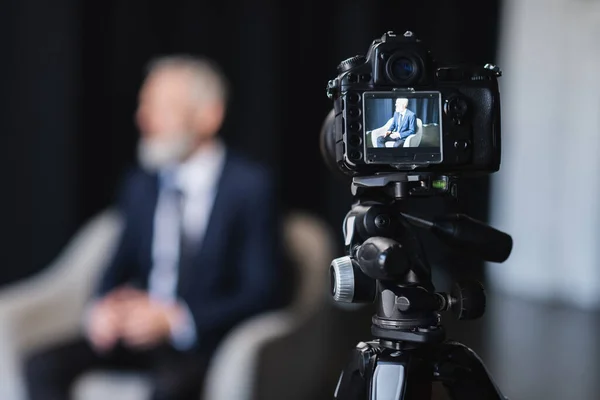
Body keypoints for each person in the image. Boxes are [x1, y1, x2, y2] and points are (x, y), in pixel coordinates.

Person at [24, 55, 283, 400]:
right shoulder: (140, 183)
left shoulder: (250, 187)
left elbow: (262, 290)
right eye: (144, 105)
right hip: (138, 334)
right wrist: (103, 308)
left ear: (208, 116)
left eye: (160, 107)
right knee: (41, 365)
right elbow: (116, 267)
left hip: (201, 338)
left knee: (174, 385)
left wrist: (177, 319)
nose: (143, 118)